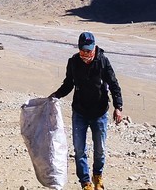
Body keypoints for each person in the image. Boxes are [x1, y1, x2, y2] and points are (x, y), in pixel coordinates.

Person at [50, 31, 124, 190]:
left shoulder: (103, 62)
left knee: (100, 150)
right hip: (80, 112)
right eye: (83, 50)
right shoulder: (73, 62)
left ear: (95, 48)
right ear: (78, 48)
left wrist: (118, 107)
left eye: (89, 51)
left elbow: (114, 85)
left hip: (100, 113)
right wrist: (56, 95)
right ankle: (85, 182)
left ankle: (97, 176)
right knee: (79, 149)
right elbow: (68, 84)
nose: (85, 54)